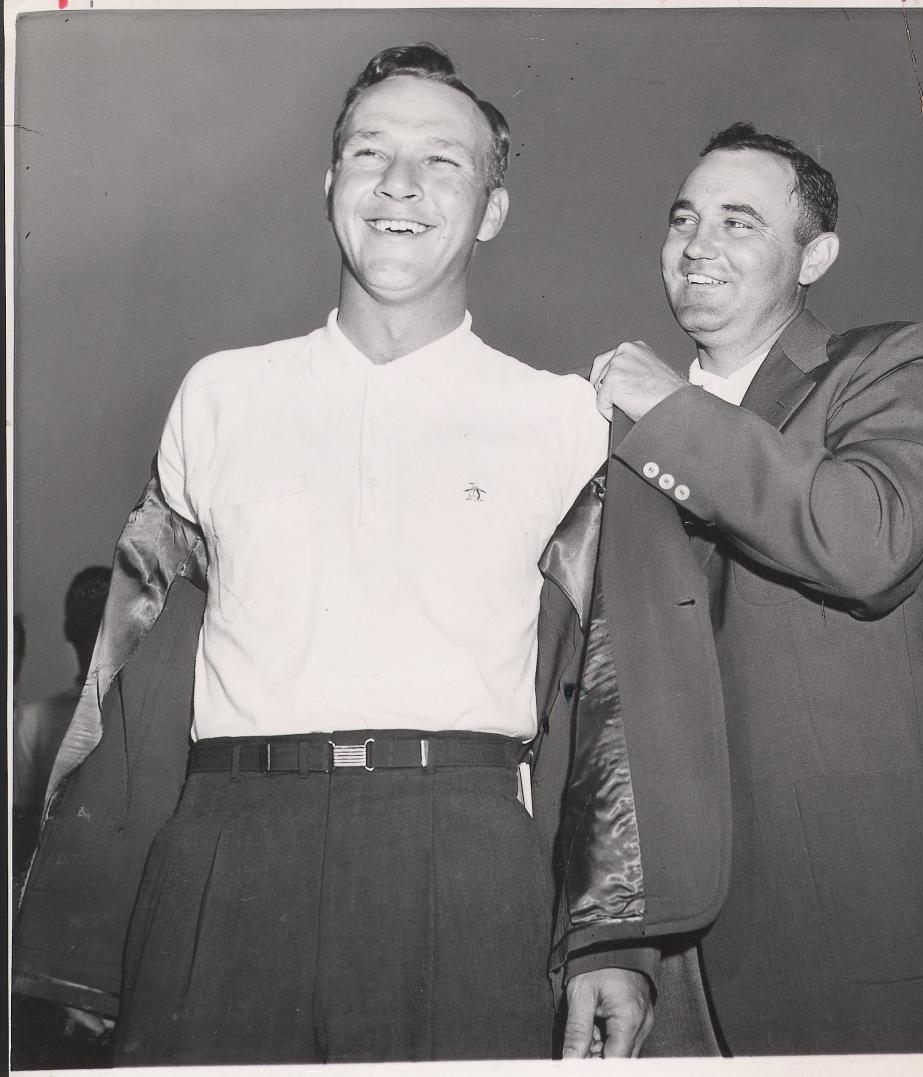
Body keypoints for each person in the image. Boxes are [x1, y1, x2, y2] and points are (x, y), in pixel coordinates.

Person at [13, 44, 659, 1065]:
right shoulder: (220, 396)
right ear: (328, 189)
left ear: (492, 206)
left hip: (468, 859)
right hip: (228, 851)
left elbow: (613, 694)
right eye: (370, 153)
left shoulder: (561, 418)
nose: (400, 184)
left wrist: (611, 934)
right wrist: (82, 942)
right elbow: (132, 670)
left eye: (443, 162)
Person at [582, 122, 923, 1055]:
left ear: (814, 255)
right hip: (662, 959)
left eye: (739, 222)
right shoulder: (605, 435)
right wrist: (602, 937)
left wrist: (670, 410)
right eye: (683, 219)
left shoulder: (897, 365)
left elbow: (868, 541)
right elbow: (589, 696)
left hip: (852, 935)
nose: (698, 246)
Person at [13, 567, 111, 857]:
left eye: (102, 616)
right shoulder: (34, 720)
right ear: (69, 628)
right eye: (86, 617)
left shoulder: (141, 715)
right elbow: (24, 818)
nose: (93, 628)